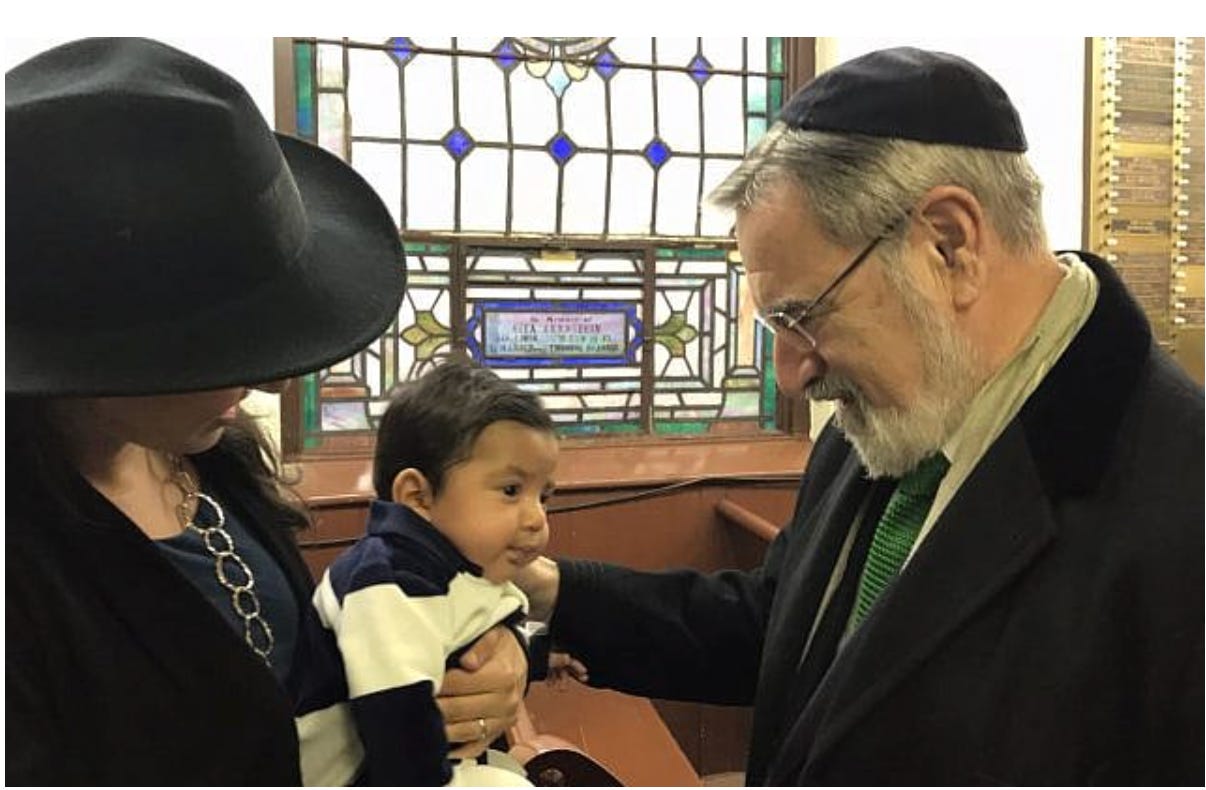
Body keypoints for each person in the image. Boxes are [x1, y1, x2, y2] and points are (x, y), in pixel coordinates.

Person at [516, 47, 1205, 784]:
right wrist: (550, 590)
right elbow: (789, 633)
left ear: (948, 244)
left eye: (803, 316)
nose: (791, 372)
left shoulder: (1181, 504)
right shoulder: (888, 414)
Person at [5, 38, 528, 785]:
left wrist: (485, 651)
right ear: (88, 350)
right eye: (225, 347)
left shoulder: (208, 457)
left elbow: (310, 659)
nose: (275, 384)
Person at [292, 358, 585, 786]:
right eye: (511, 491)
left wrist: (539, 654)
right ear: (418, 497)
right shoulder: (388, 583)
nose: (537, 518)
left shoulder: (448, 566)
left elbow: (470, 635)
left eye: (544, 496)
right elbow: (397, 720)